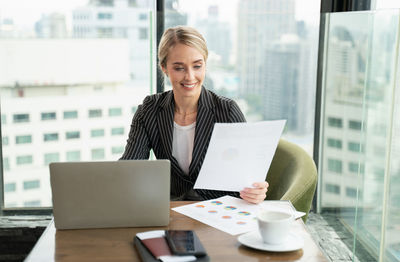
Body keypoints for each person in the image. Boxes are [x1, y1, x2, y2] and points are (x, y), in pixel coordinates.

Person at [120, 26, 268, 204]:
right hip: (171, 211)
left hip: (218, 211)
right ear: (164, 68)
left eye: (197, 66)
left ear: (205, 64)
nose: (190, 77)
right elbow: (130, 168)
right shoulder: (149, 109)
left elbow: (246, 176)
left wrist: (256, 190)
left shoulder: (227, 110)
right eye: (179, 68)